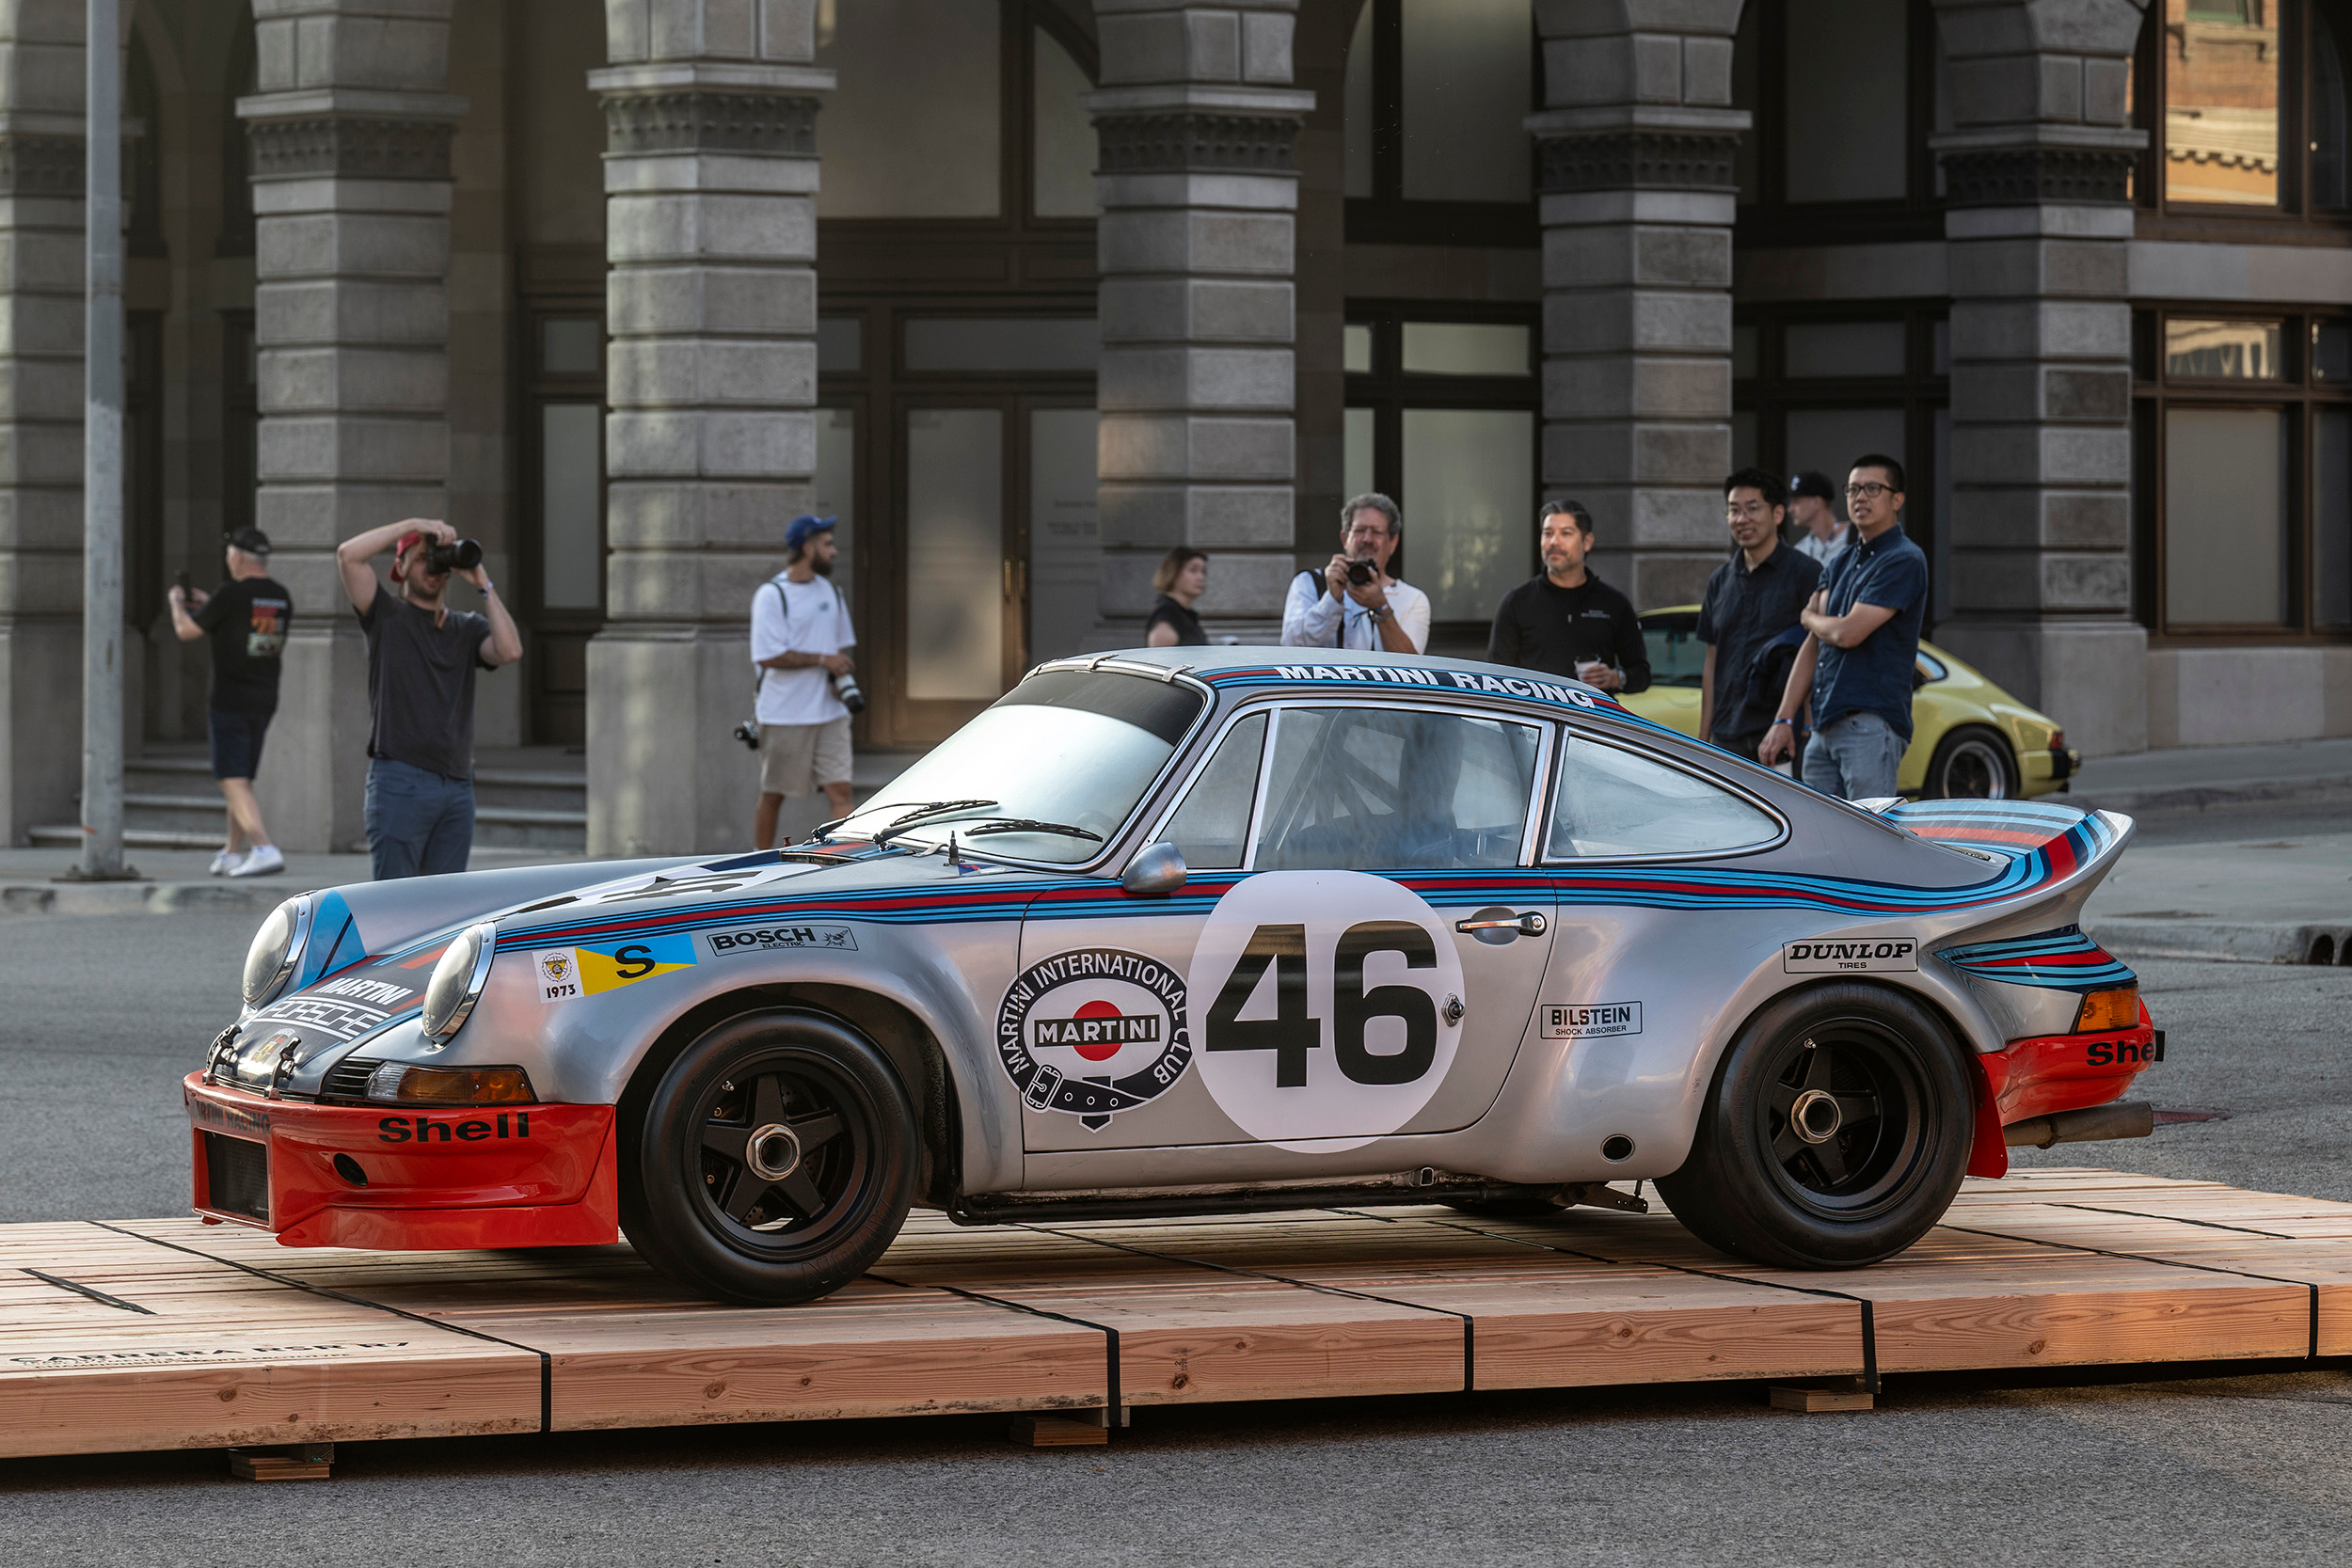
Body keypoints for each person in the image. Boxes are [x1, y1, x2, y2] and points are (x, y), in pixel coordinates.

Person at [337, 518, 523, 879]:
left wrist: (482, 583)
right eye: (421, 558)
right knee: (397, 904)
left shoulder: (466, 627)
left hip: (456, 786)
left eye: (437, 560)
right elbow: (348, 555)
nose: (431, 568)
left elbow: (510, 650)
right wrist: (415, 524)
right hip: (399, 781)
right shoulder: (386, 615)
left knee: (446, 906)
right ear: (400, 567)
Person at [1760, 455, 1929, 800]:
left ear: (1897, 500)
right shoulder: (1840, 562)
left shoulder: (1903, 558)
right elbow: (1814, 644)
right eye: (1853, 489)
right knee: (1818, 830)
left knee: (1868, 830)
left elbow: (1846, 634)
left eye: (1872, 489)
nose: (1860, 497)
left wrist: (1810, 618)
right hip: (1823, 725)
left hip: (1870, 722)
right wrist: (1783, 719)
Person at [167, 526, 292, 878]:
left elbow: (186, 631)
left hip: (230, 698)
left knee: (231, 778)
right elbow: (249, 625)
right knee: (242, 778)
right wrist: (212, 605)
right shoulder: (280, 596)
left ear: (236, 556)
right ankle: (232, 852)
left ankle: (263, 847)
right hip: (264, 696)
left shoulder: (231, 594)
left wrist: (176, 604)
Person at [1697, 471, 1821, 765]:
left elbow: (1817, 652)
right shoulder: (1719, 580)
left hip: (1783, 736)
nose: (1742, 519)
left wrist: (1806, 730)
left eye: (1752, 509)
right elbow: (1712, 662)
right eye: (1734, 510)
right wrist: (1702, 740)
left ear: (1777, 514)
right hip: (1725, 737)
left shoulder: (1806, 573)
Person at [751, 515, 858, 851]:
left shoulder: (831, 591)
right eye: (827, 544)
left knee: (841, 791)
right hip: (785, 714)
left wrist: (838, 673)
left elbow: (838, 647)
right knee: (774, 794)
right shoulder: (772, 595)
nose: (834, 551)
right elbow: (768, 656)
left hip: (831, 712)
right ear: (808, 548)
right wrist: (823, 660)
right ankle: (758, 859)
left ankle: (844, 861)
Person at [1486, 499, 1650, 693]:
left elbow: (1642, 675)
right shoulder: (1516, 602)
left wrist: (1615, 678)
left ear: (1587, 542)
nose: (1554, 542)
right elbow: (1495, 678)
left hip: (1594, 712)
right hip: (1537, 713)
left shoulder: (1614, 604)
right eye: (1548, 533)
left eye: (1566, 533)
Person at [1280, 493, 1430, 654]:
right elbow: (1290, 647)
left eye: (1377, 532)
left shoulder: (1412, 599)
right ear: (1345, 538)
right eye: (1359, 530)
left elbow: (1410, 663)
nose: (1367, 539)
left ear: (1393, 543)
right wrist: (1332, 599)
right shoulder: (1309, 583)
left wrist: (1381, 607)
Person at [1146, 547, 1210, 647]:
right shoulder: (1168, 614)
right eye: (1193, 570)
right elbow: (1159, 653)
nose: (1200, 577)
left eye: (1203, 572)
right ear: (1173, 573)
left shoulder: (1185, 615)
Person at [1788, 470, 1851, 567]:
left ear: (1816, 502)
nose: (1790, 509)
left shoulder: (1857, 536)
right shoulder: (1800, 551)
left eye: (1796, 502)